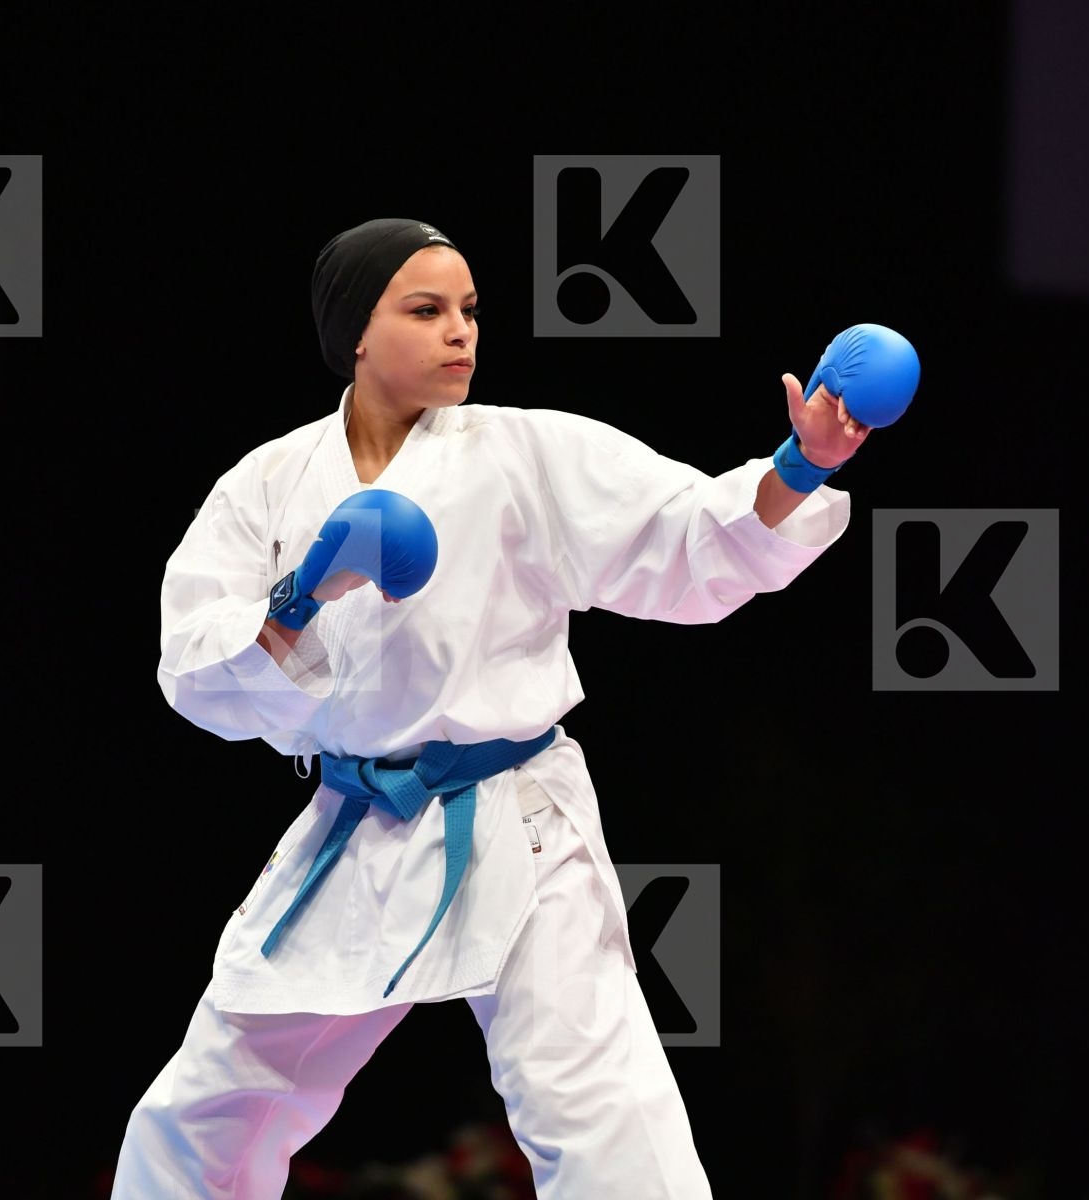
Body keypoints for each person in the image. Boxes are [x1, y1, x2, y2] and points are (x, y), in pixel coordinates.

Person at [109, 218, 870, 1198]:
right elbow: (189, 668)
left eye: (469, 309)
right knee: (208, 1108)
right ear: (355, 334)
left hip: (518, 819)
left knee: (599, 1108)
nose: (460, 330)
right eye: (426, 310)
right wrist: (300, 596)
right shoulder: (269, 482)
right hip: (357, 822)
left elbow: (685, 536)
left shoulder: (522, 452)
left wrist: (801, 465)